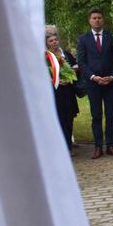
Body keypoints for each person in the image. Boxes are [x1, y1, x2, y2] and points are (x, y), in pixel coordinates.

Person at [76, 7, 113, 158]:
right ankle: (97, 147)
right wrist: (93, 77)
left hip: (110, 83)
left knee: (110, 115)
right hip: (93, 84)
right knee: (96, 116)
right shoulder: (83, 39)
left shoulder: (111, 37)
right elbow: (81, 62)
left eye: (99, 18)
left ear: (103, 20)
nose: (97, 20)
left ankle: (110, 145)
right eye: (94, 18)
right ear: (89, 20)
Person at [45, 25, 80, 155]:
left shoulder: (66, 54)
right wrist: (55, 80)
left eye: (56, 40)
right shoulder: (45, 57)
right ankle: (59, 147)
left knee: (68, 118)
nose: (54, 42)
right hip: (54, 92)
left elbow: (76, 68)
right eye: (51, 41)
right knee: (58, 119)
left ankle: (68, 146)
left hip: (68, 91)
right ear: (47, 44)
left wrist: (70, 77)